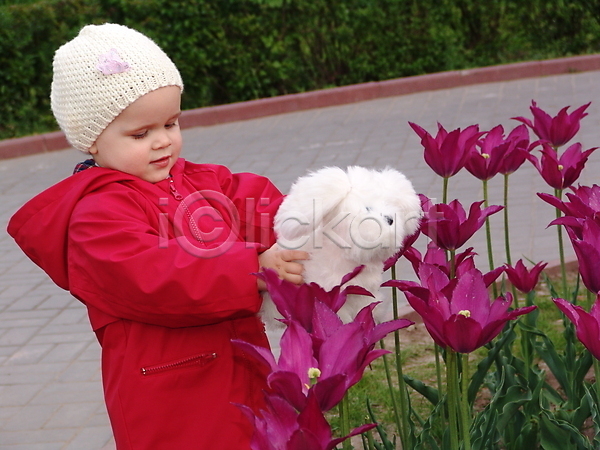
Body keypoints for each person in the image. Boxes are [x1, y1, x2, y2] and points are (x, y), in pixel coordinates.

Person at [7, 23, 307, 449]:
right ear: (92, 141)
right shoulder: (95, 216)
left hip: (240, 372)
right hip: (172, 399)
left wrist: (318, 213)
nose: (163, 142)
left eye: (171, 122)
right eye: (140, 134)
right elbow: (157, 274)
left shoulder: (198, 182)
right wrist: (253, 268)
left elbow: (257, 205)